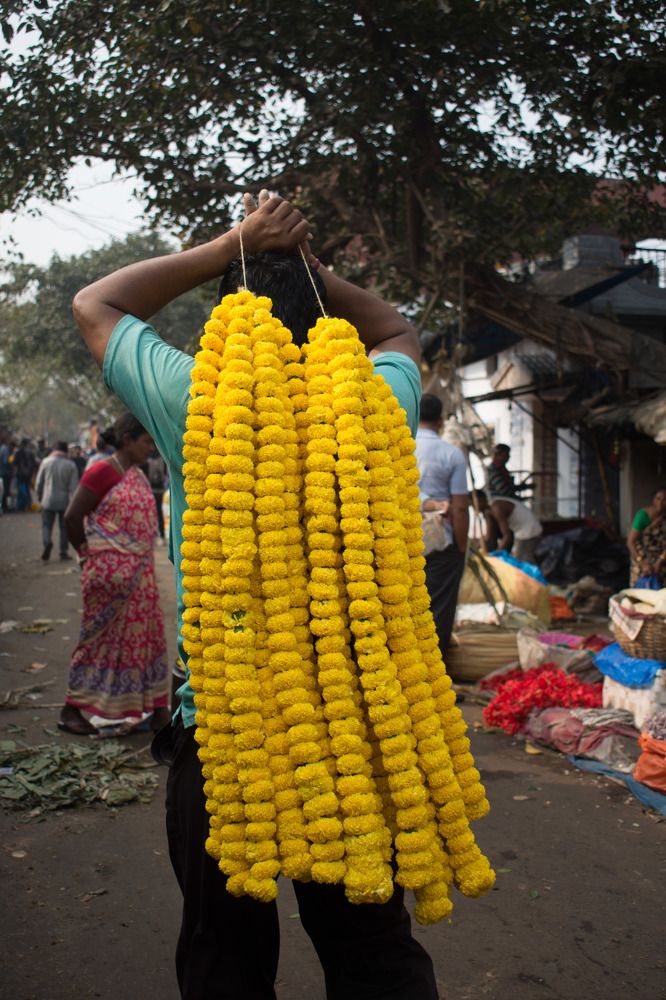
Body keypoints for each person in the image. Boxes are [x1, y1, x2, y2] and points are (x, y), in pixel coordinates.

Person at [70, 190, 438, 1000]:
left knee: (224, 959)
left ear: (235, 311)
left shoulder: (198, 397)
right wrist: (318, 276)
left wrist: (232, 243)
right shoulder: (376, 402)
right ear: (325, 312)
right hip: (353, 741)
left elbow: (96, 304)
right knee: (374, 954)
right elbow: (399, 331)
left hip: (228, 737)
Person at [59, 412, 170, 737]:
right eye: (146, 441)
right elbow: (72, 517)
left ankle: (158, 710)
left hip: (139, 577)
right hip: (107, 579)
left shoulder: (134, 472)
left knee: (147, 642)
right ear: (127, 439)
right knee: (98, 643)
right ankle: (72, 709)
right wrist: (87, 555)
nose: (151, 448)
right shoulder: (103, 472)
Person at [415, 393, 469, 657]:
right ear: (440, 421)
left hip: (402, 541)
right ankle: (434, 671)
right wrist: (461, 547)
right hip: (441, 543)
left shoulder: (403, 447)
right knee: (438, 608)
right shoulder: (451, 454)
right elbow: (459, 507)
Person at [34, 440, 79, 561]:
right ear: (65, 451)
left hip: (47, 499)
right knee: (64, 528)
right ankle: (63, 552)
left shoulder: (45, 462)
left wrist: (39, 495)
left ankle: (47, 542)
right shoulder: (71, 465)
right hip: (64, 501)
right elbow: (74, 488)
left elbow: (39, 481)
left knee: (46, 525)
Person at [474, 488, 543, 565]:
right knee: (520, 560)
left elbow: (507, 536)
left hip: (529, 531)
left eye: (474, 505)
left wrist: (496, 555)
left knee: (523, 561)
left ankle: (536, 577)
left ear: (481, 500)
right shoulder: (489, 510)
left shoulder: (496, 508)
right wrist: (476, 547)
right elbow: (488, 536)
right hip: (522, 532)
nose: (475, 509)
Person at [627, 487, 666, 585]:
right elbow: (630, 542)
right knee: (640, 593)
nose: (661, 503)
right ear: (653, 500)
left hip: (661, 560)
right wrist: (642, 562)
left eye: (665, 500)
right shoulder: (643, 516)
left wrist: (660, 560)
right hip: (640, 558)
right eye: (658, 499)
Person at [146, 450, 168, 541]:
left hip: (151, 489)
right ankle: (162, 535)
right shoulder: (162, 458)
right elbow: (165, 474)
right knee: (160, 512)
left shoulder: (147, 459)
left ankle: (152, 535)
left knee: (151, 513)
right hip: (161, 489)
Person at [14, 438, 37, 511]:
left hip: (21, 474)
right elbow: (33, 464)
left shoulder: (18, 452)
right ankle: (27, 504)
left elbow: (15, 463)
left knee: (22, 489)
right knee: (25, 489)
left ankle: (22, 506)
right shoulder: (30, 452)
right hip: (27, 474)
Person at [0, 437, 13, 513]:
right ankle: (5, 507)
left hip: (2, 473)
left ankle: (4, 506)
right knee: (5, 491)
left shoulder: (1, 448)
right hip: (5, 473)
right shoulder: (5, 449)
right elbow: (6, 461)